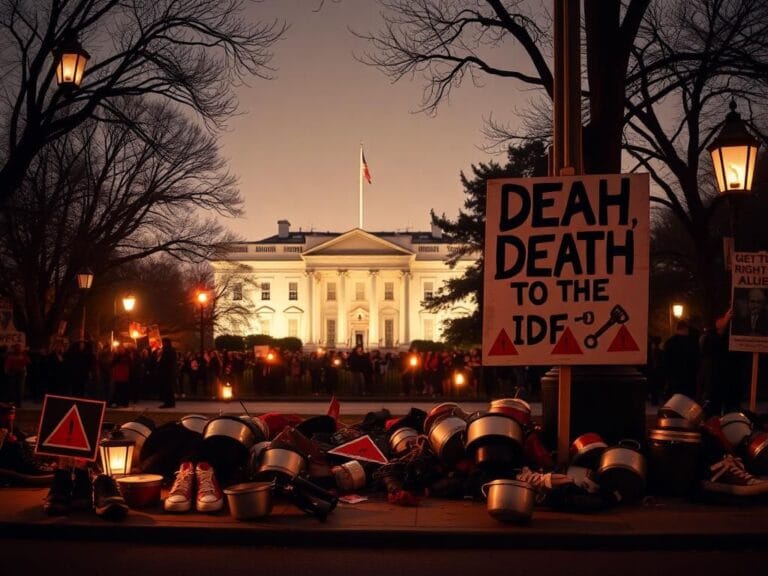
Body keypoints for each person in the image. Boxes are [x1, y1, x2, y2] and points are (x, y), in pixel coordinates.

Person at [662, 320, 699, 400]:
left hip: (674, 378)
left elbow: (666, 361)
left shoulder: (669, 342)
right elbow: (696, 360)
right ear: (685, 329)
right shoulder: (692, 343)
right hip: (689, 378)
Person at [157, 338, 178, 408]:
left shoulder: (167, 350)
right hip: (170, 372)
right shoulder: (172, 350)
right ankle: (171, 402)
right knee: (170, 388)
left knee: (167, 388)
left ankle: (168, 402)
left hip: (167, 372)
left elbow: (164, 361)